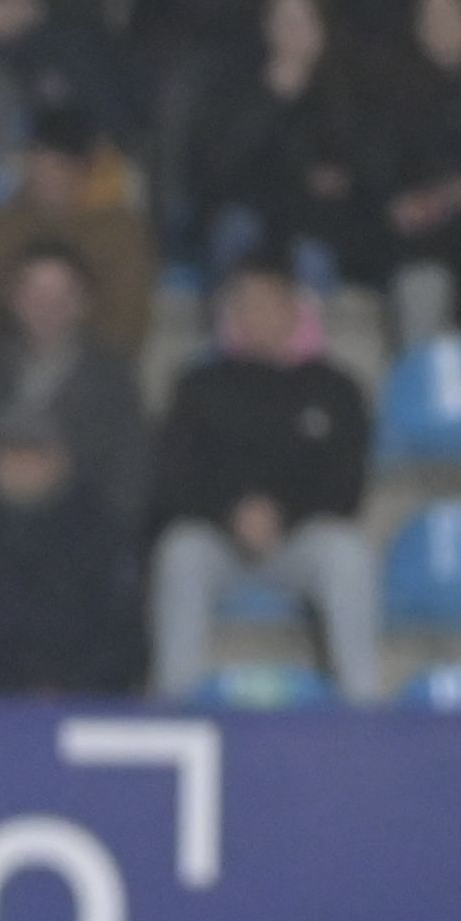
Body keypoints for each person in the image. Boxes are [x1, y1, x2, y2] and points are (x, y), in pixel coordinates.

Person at [141, 253, 380, 698]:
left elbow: (346, 484)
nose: (258, 315)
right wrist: (232, 512)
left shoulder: (336, 389)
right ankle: (173, 703)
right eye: (245, 305)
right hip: (218, 539)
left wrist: (282, 513)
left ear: (294, 310)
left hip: (300, 540)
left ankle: (361, 703)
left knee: (347, 553)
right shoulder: (198, 386)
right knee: (179, 552)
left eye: (270, 303)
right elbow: (175, 477)